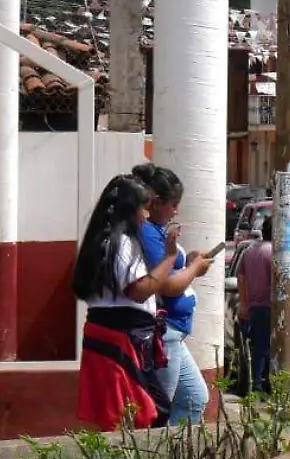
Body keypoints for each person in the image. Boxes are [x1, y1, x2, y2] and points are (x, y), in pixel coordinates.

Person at [73, 175, 175, 430]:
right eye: (142, 208)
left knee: (120, 411)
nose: (145, 215)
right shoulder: (124, 244)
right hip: (126, 338)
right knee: (149, 409)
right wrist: (169, 258)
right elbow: (139, 291)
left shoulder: (98, 242)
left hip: (104, 333)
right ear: (130, 210)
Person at [130, 163, 213, 425]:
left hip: (175, 334)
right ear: (155, 202)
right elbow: (165, 284)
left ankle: (175, 457)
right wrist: (194, 268)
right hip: (164, 334)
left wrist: (188, 261)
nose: (176, 211)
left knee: (194, 398)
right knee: (159, 406)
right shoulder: (147, 232)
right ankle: (154, 458)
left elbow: (171, 265)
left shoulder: (158, 231)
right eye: (173, 204)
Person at [236, 216, 274, 391]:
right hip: (268, 306)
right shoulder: (274, 253)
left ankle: (257, 383)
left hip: (252, 307)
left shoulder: (250, 251)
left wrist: (244, 304)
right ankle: (259, 384)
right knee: (264, 348)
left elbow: (241, 277)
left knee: (256, 347)